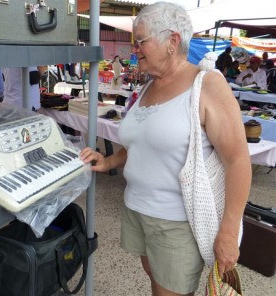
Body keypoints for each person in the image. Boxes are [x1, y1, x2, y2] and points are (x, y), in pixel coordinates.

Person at [80, 2, 251, 295]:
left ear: (172, 41)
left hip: (176, 223)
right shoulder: (149, 86)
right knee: (155, 283)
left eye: (141, 41)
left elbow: (238, 161)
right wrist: (108, 162)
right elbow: (141, 144)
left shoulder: (207, 85)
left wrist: (228, 231)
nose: (135, 50)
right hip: (137, 210)